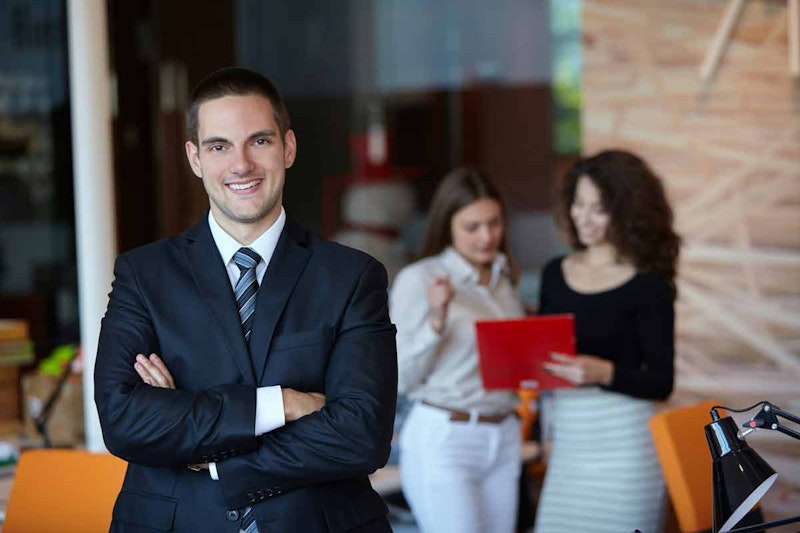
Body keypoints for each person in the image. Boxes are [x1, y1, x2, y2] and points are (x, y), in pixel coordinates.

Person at [94, 67, 398, 533]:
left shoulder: (352, 278)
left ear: (288, 148)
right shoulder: (143, 275)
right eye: (219, 146)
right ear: (195, 158)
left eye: (259, 141)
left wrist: (212, 453)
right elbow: (123, 420)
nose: (241, 165)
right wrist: (282, 405)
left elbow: (361, 435)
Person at [533, 149, 680, 533]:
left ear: (626, 211)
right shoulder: (553, 274)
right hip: (569, 440)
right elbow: (546, 356)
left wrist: (602, 372)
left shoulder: (648, 285)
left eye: (598, 209)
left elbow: (662, 382)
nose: (583, 217)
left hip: (625, 444)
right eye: (578, 204)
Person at [390, 168, 525, 533]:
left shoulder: (504, 279)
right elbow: (399, 377)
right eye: (472, 227)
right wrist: (437, 320)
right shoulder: (420, 279)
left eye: (494, 223)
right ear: (448, 226)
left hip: (503, 433)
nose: (487, 236)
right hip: (447, 436)